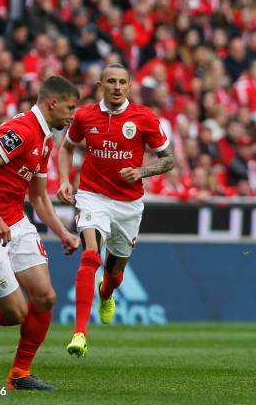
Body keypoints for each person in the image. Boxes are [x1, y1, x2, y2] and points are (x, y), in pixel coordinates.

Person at [0, 76, 81, 390]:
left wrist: (62, 232)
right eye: (70, 107)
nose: (72, 115)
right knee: (15, 313)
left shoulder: (47, 137)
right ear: (52, 103)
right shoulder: (22, 130)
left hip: (15, 221)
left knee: (45, 297)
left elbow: (38, 196)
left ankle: (19, 374)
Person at [57, 63, 174, 357]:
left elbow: (168, 159)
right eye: (111, 81)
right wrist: (63, 179)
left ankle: (106, 292)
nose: (117, 87)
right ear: (101, 85)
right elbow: (67, 147)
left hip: (129, 204)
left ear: (130, 86)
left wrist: (142, 171)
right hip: (92, 196)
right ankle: (80, 333)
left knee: (115, 272)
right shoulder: (84, 115)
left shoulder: (144, 117)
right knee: (90, 255)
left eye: (122, 82)